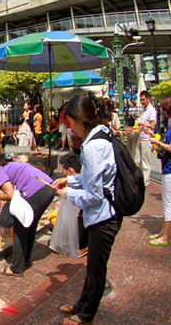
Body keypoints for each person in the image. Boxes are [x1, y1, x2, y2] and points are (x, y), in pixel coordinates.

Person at [52, 93, 122, 325]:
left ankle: (85, 315)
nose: (71, 129)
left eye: (70, 123)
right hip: (105, 212)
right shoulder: (102, 135)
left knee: (95, 270)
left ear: (80, 119)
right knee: (93, 268)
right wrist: (70, 182)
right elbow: (93, 178)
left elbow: (93, 194)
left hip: (104, 216)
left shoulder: (92, 147)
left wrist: (68, 194)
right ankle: (81, 305)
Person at [0, 150, 54, 276]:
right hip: (48, 188)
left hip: (36, 192)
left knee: (20, 229)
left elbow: (9, 194)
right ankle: (25, 260)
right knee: (30, 225)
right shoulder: (9, 165)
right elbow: (13, 181)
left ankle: (16, 268)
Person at [146, 94, 171, 246]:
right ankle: (163, 231)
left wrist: (158, 143)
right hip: (166, 168)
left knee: (168, 203)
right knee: (166, 203)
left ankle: (165, 236)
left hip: (169, 169)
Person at [59, 152, 88, 257]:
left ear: (70, 170)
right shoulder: (82, 178)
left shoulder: (84, 184)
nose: (63, 174)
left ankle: (83, 245)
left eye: (63, 171)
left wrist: (66, 193)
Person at [134, 90, 156, 187]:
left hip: (146, 139)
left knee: (145, 162)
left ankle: (145, 182)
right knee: (137, 159)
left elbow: (152, 126)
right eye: (141, 100)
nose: (142, 102)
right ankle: (138, 179)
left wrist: (142, 124)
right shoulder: (144, 110)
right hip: (140, 137)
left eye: (143, 100)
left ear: (148, 99)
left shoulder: (151, 110)